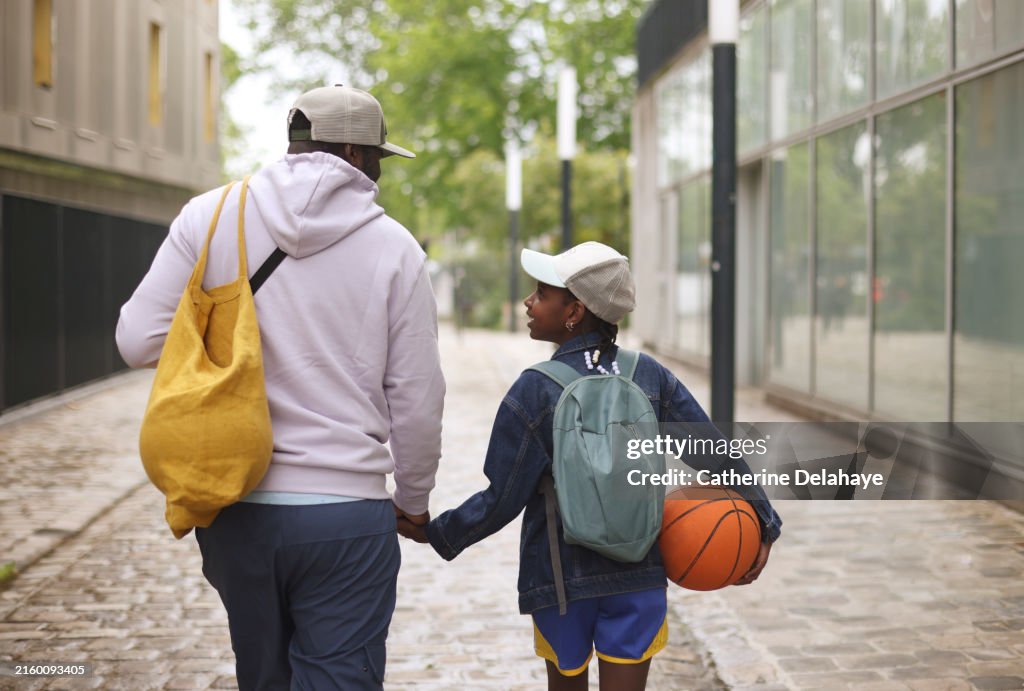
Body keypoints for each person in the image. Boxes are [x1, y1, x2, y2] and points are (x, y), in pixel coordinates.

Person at [116, 85, 445, 690]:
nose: (378, 172)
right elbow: (418, 396)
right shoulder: (395, 247)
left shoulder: (210, 217)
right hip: (346, 513)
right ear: (354, 150)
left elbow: (137, 341)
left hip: (235, 504)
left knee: (261, 676)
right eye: (377, 158)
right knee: (341, 676)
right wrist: (414, 496)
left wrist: (219, 343)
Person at [397, 242, 781, 691]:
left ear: (574, 310)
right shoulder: (649, 375)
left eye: (542, 293)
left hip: (560, 580)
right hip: (637, 572)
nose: (528, 301)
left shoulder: (535, 390)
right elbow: (713, 452)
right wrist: (764, 522)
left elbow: (502, 498)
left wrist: (436, 531)